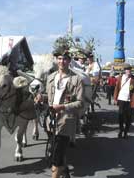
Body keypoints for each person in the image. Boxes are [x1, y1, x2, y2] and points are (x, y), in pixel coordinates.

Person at [46, 49, 84, 178]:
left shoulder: (76, 79)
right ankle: (66, 173)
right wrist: (41, 97)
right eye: (60, 58)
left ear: (69, 61)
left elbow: (80, 103)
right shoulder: (51, 77)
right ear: (57, 60)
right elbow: (49, 97)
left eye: (65, 59)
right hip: (51, 120)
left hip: (66, 121)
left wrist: (62, 107)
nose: (62, 61)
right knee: (57, 152)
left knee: (56, 157)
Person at [114, 64, 134, 139]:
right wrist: (115, 98)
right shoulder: (120, 78)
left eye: (130, 70)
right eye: (127, 70)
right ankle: (121, 129)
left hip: (130, 100)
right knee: (120, 115)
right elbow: (116, 89)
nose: (129, 71)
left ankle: (126, 131)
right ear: (124, 71)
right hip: (121, 99)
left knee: (129, 117)